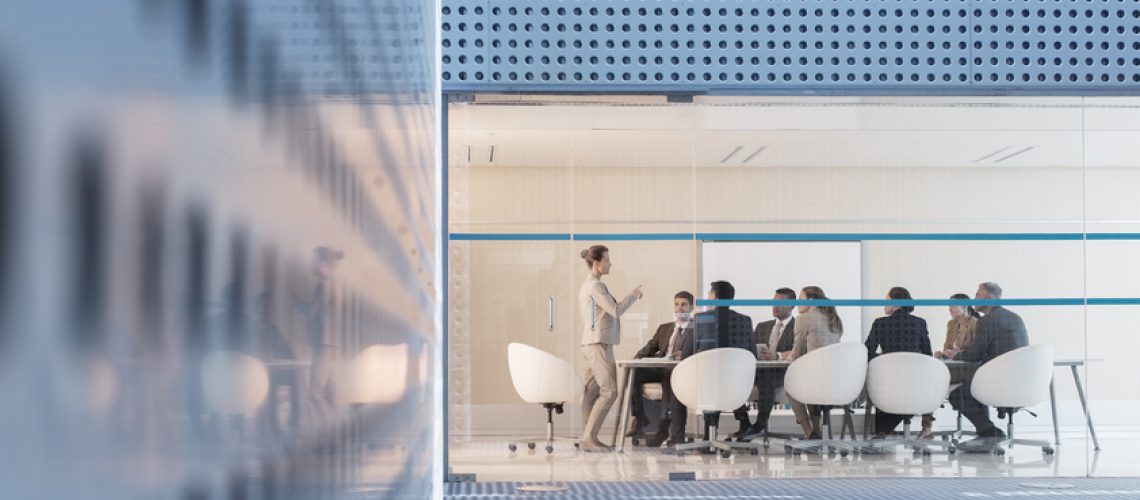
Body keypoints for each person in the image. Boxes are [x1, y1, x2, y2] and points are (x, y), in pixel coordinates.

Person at [661, 281, 755, 452]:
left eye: (710, 294)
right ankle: (719, 432)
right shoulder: (745, 320)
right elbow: (752, 353)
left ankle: (683, 437)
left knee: (679, 382)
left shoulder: (702, 319)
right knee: (718, 379)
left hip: (708, 385)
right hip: (737, 386)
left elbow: (689, 352)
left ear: (714, 297)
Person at [578, 245, 643, 452]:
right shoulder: (596, 286)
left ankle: (587, 436)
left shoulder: (590, 285)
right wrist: (634, 295)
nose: (610, 263)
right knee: (610, 391)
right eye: (607, 260)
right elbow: (615, 310)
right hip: (599, 344)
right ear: (596, 263)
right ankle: (589, 437)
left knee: (592, 392)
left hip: (593, 343)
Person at [949, 281, 1028, 444]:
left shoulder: (986, 321)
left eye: (977, 295)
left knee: (958, 394)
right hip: (1020, 381)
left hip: (999, 381)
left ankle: (989, 431)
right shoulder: (1015, 318)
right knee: (974, 384)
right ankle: (986, 432)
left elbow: (975, 355)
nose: (974, 298)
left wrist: (955, 355)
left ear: (989, 298)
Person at [864, 286, 933, 438]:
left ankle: (882, 433)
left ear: (896, 303)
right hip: (914, 382)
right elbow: (928, 355)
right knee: (905, 391)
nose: (884, 304)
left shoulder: (880, 323)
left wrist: (884, 359)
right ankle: (883, 432)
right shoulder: (920, 323)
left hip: (889, 382)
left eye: (886, 301)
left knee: (885, 387)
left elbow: (867, 351)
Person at [626, 291, 694, 444]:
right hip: (661, 366)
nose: (679, 308)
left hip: (681, 370)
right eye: (677, 304)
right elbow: (649, 348)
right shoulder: (665, 328)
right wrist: (635, 359)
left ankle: (665, 428)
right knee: (633, 373)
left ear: (692, 307)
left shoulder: (696, 329)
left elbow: (701, 351)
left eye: (684, 305)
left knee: (669, 378)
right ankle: (639, 417)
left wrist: (685, 354)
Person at [731, 287, 797, 439]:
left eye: (780, 303)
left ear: (792, 305)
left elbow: (797, 351)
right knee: (732, 378)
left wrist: (777, 355)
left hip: (784, 373)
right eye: (773, 302)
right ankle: (745, 422)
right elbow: (749, 347)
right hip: (759, 370)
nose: (775, 306)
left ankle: (760, 424)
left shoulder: (797, 327)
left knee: (766, 379)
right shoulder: (762, 326)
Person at [787, 285, 843, 439]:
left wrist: (782, 356)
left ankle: (809, 432)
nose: (797, 303)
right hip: (837, 383)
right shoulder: (835, 319)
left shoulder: (804, 319)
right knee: (811, 383)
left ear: (810, 300)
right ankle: (817, 430)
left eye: (800, 299)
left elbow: (796, 354)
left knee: (790, 386)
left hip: (816, 381)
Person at [303, 246, 343, 433]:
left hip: (324, 345)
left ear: (323, 264)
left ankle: (329, 435)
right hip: (331, 345)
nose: (311, 263)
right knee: (330, 394)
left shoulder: (323, 285)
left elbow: (311, 312)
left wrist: (297, 303)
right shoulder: (334, 283)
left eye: (314, 260)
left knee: (315, 394)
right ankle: (336, 435)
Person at [934, 293, 980, 360]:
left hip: (968, 366)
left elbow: (977, 351)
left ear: (964, 306)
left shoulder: (975, 323)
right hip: (953, 365)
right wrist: (941, 354)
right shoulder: (951, 324)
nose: (949, 309)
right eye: (949, 306)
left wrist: (958, 353)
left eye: (953, 305)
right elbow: (947, 348)